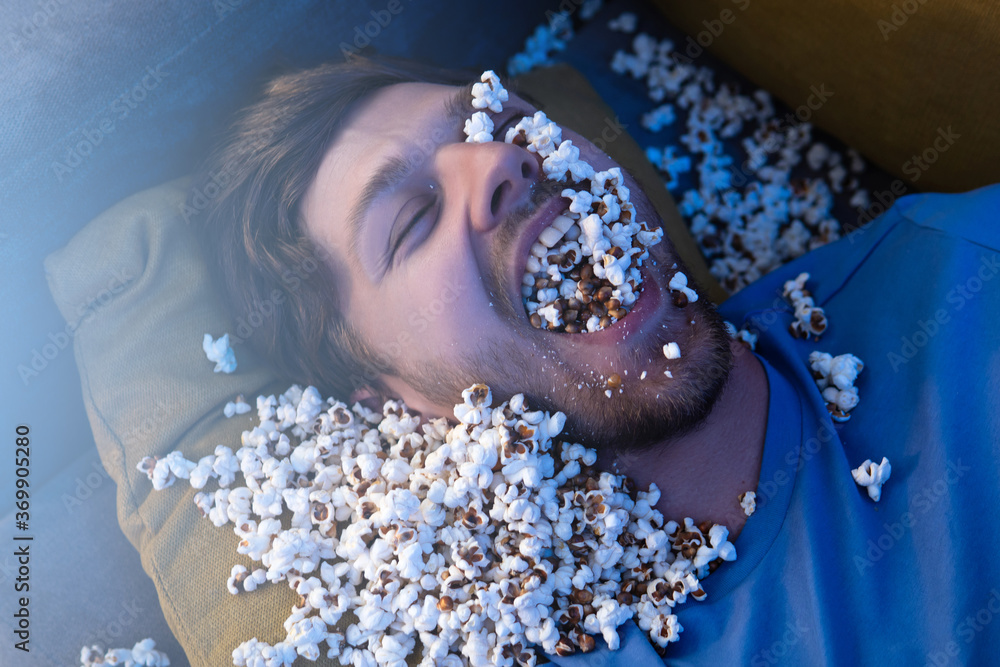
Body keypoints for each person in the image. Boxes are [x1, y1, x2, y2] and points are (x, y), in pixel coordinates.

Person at [193, 55, 1000, 665]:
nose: (497, 161)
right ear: (390, 401)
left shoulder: (964, 278)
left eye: (494, 122)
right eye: (411, 221)